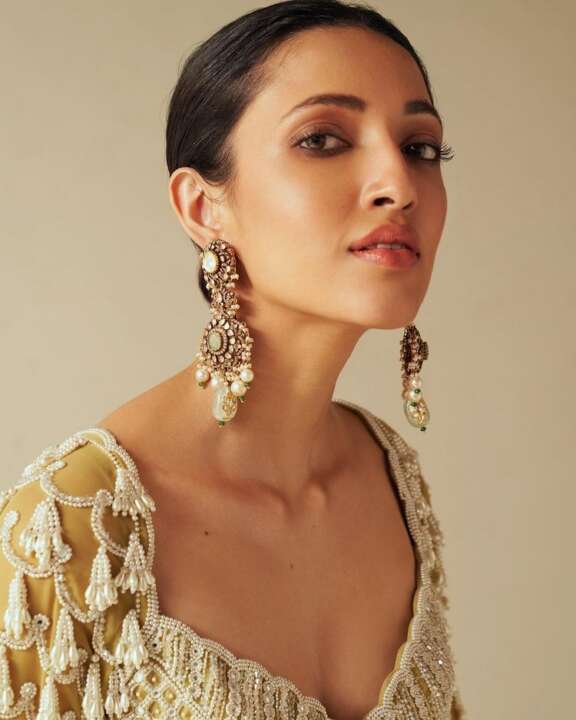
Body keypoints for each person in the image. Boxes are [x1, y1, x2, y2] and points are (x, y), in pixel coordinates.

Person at [0, 1, 466, 719]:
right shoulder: (71, 525)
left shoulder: (394, 479)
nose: (398, 186)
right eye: (322, 140)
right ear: (202, 208)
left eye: (420, 147)